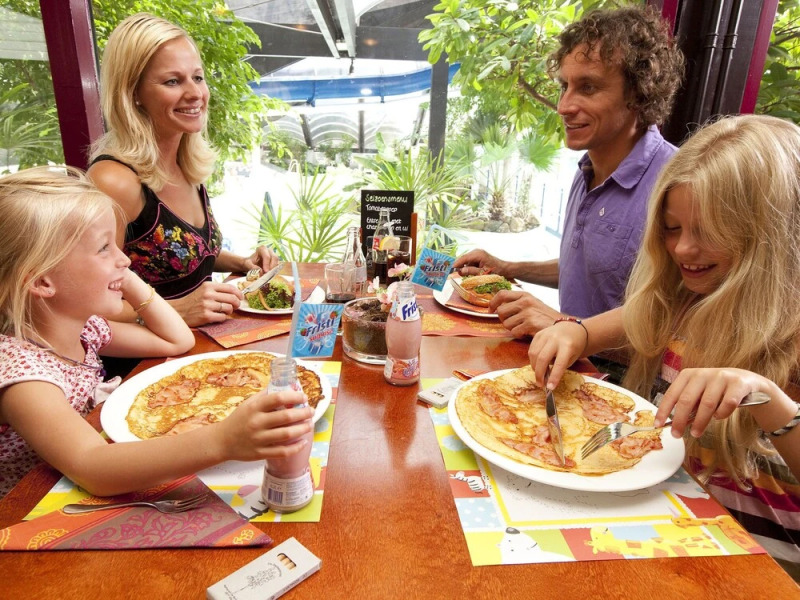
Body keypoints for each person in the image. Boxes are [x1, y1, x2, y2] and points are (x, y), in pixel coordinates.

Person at [528, 115, 800, 579]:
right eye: (672, 229)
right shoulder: (682, 300)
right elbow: (635, 318)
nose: (683, 250)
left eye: (710, 230)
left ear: (773, 237)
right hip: (670, 537)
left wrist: (766, 398)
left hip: (762, 569)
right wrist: (578, 331)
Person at [0, 167, 312, 499]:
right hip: (29, 511)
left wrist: (124, 276)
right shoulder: (23, 376)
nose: (125, 258)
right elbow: (94, 468)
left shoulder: (86, 328)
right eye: (104, 247)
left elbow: (178, 340)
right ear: (42, 282)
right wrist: (224, 440)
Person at [454, 6, 684, 340]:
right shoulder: (587, 169)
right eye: (565, 86)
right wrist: (507, 268)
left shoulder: (677, 183)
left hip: (625, 385)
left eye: (588, 88)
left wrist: (567, 327)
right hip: (569, 366)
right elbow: (584, 270)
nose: (564, 106)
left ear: (638, 92)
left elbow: (676, 320)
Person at [87, 13, 279, 327]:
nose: (195, 93)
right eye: (173, 81)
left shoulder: (184, 163)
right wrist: (177, 310)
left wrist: (242, 262)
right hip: (143, 366)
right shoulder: (114, 181)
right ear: (133, 94)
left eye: (198, 77)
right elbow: (85, 307)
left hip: (202, 348)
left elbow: (181, 255)